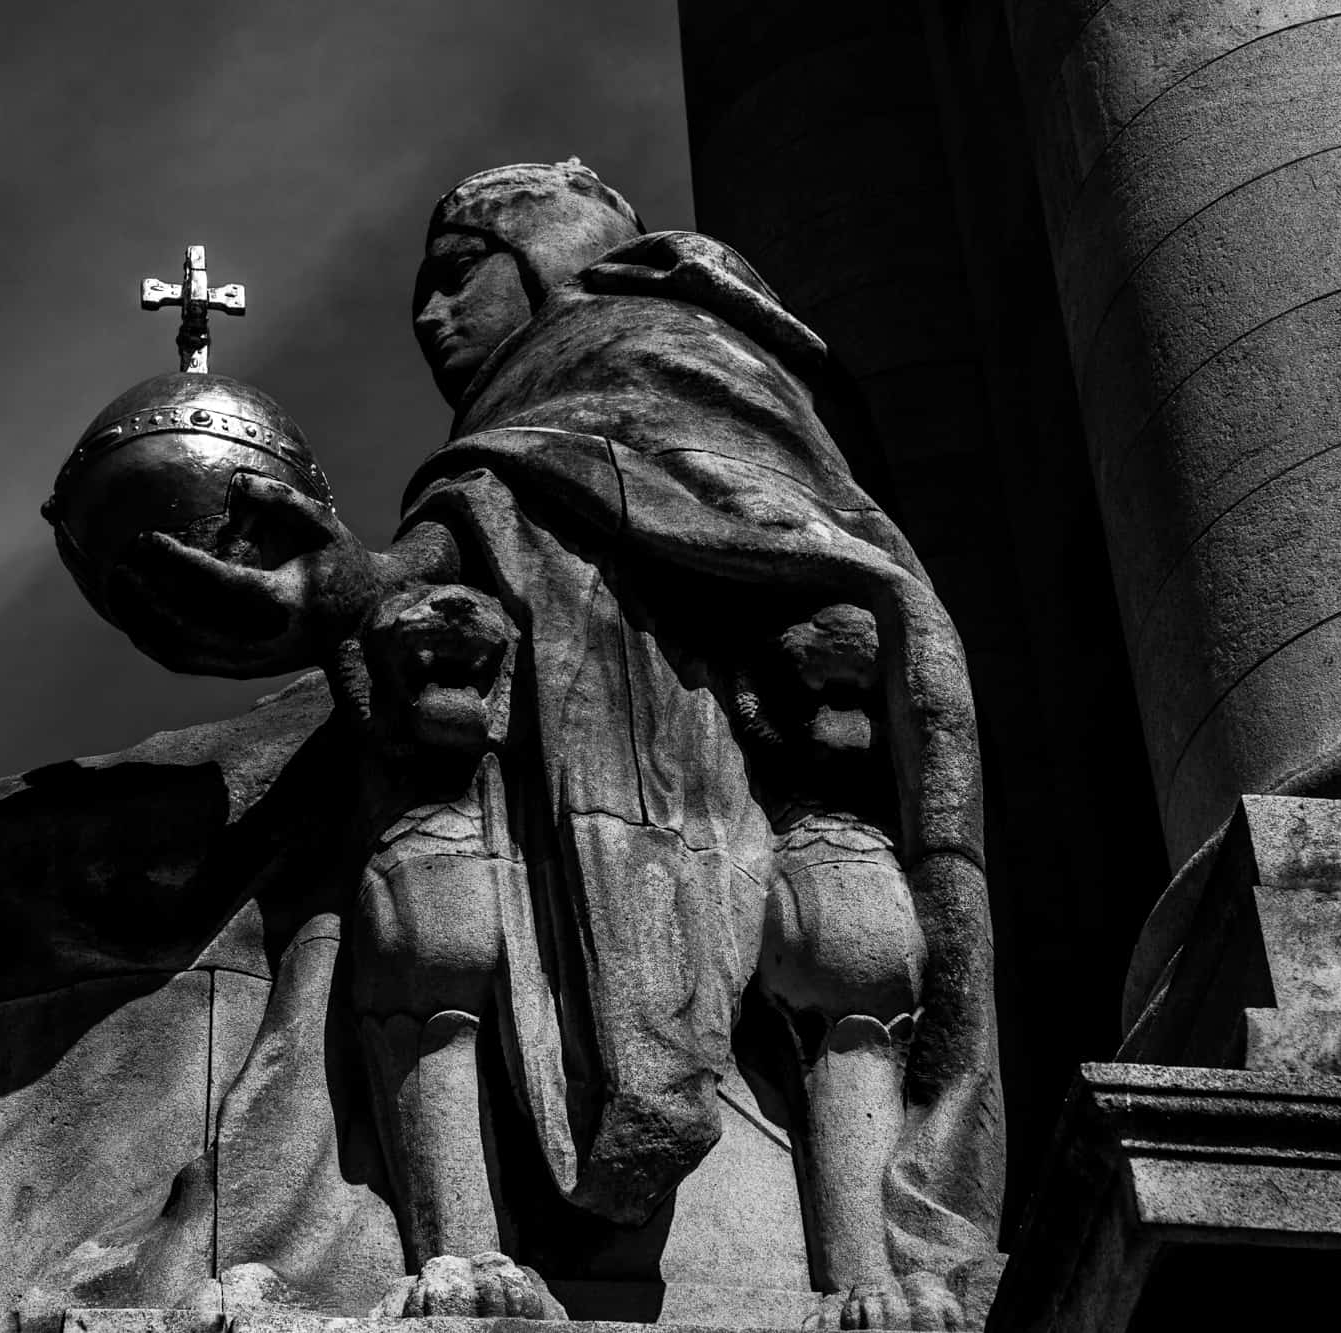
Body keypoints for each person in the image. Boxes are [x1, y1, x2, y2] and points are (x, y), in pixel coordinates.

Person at [114, 160, 1004, 1329]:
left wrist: (375, 584)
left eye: (453, 276)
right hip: (468, 705)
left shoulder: (655, 345)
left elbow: (816, 576)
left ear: (541, 250)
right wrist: (333, 593)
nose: (432, 320)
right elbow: (456, 559)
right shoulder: (518, 425)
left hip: (666, 765)